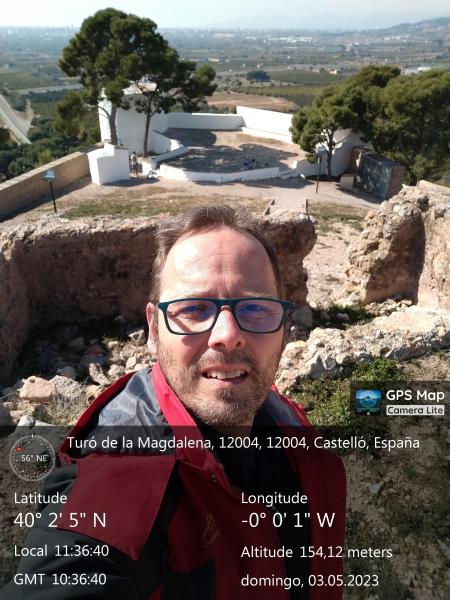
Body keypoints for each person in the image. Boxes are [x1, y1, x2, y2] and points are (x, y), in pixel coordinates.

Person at [3, 205, 345, 599]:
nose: (227, 335)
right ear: (153, 330)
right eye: (194, 309)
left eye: (255, 307)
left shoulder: (283, 420)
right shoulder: (121, 472)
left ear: (283, 326)